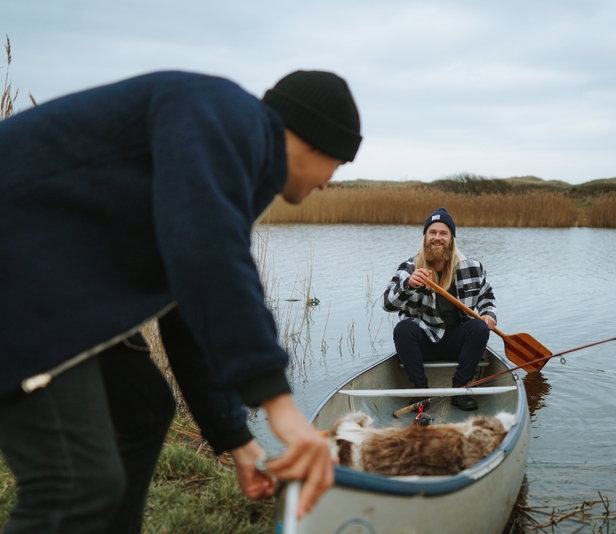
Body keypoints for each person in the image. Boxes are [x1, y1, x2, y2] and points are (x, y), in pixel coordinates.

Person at [0, 69, 362, 533]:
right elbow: (208, 251)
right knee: (77, 482)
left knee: (142, 411)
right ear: (314, 142)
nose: (328, 184)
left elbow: (189, 298)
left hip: (46, 274)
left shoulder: (229, 154)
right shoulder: (223, 114)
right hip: (20, 269)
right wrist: (279, 405)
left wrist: (234, 435)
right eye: (338, 165)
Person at [382, 207, 498, 411]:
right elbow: (387, 304)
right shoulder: (409, 267)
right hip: (423, 342)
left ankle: (459, 390)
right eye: (432, 232)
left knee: (479, 328)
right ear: (425, 237)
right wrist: (408, 285)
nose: (437, 237)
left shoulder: (471, 267)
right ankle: (421, 393)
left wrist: (488, 314)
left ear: (451, 239)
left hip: (457, 343)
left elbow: (486, 297)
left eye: (443, 233)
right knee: (403, 329)